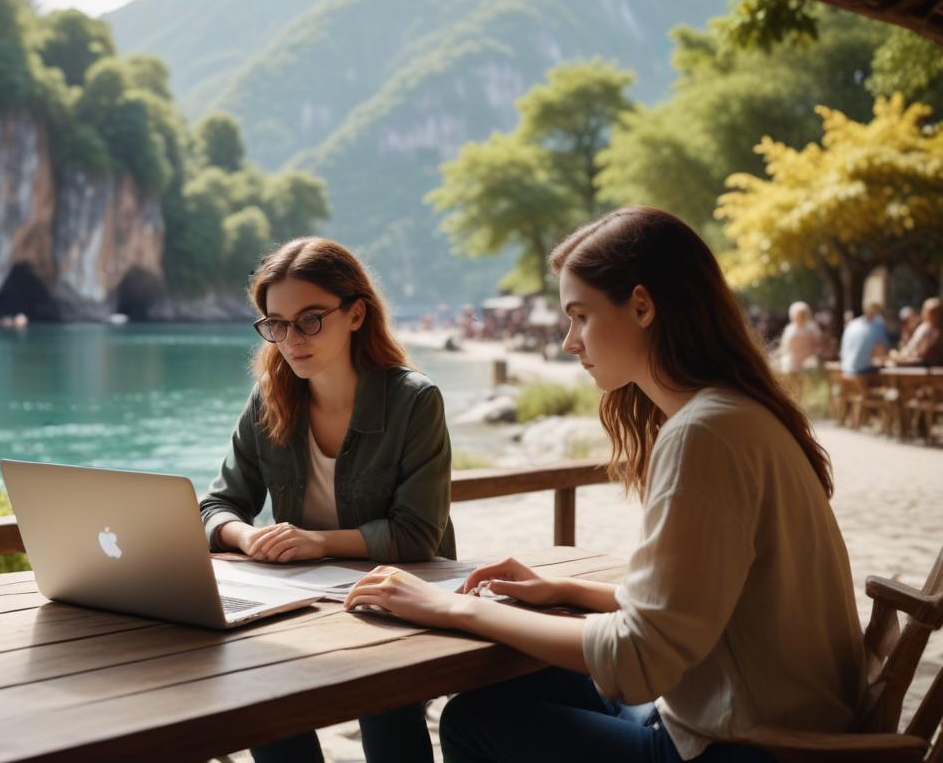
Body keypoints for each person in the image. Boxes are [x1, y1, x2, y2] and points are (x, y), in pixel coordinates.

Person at [344, 207, 865, 763]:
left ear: (642, 306)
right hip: (766, 717)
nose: (570, 341)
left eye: (580, 316)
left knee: (474, 720)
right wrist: (566, 591)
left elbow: (640, 660)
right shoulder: (737, 413)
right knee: (501, 688)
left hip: (748, 745)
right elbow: (697, 606)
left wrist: (450, 609)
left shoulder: (704, 434)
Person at [200, 236, 453, 763]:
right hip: (303, 597)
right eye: (277, 324)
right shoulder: (270, 400)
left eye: (310, 319)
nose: (290, 339)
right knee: (261, 690)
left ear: (356, 313)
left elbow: (416, 535)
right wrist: (250, 537)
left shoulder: (414, 401)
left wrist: (314, 542)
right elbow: (216, 507)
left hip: (399, 593)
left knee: (386, 700)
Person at [838, 302, 889, 375]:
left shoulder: (853, 324)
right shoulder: (876, 326)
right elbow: (881, 354)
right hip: (859, 371)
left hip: (844, 368)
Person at [892, 297, 943, 367]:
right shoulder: (924, 327)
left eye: (925, 310)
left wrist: (902, 359)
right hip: (917, 363)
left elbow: (922, 355)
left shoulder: (934, 332)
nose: (923, 313)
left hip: (926, 369)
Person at [777, 301, 820, 374]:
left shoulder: (812, 328)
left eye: (802, 314)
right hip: (792, 363)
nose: (800, 316)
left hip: (808, 363)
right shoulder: (789, 329)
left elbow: (818, 344)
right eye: (797, 314)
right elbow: (784, 345)